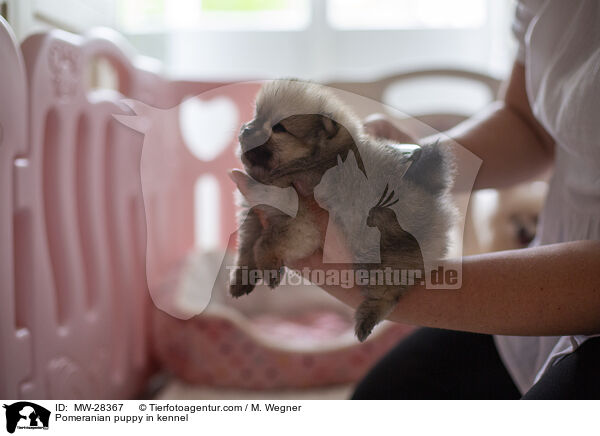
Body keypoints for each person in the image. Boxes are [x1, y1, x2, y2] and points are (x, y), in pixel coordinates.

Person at [291, 0, 600, 399]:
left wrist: (400, 288)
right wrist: (412, 162)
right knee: (384, 396)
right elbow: (529, 125)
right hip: (555, 262)